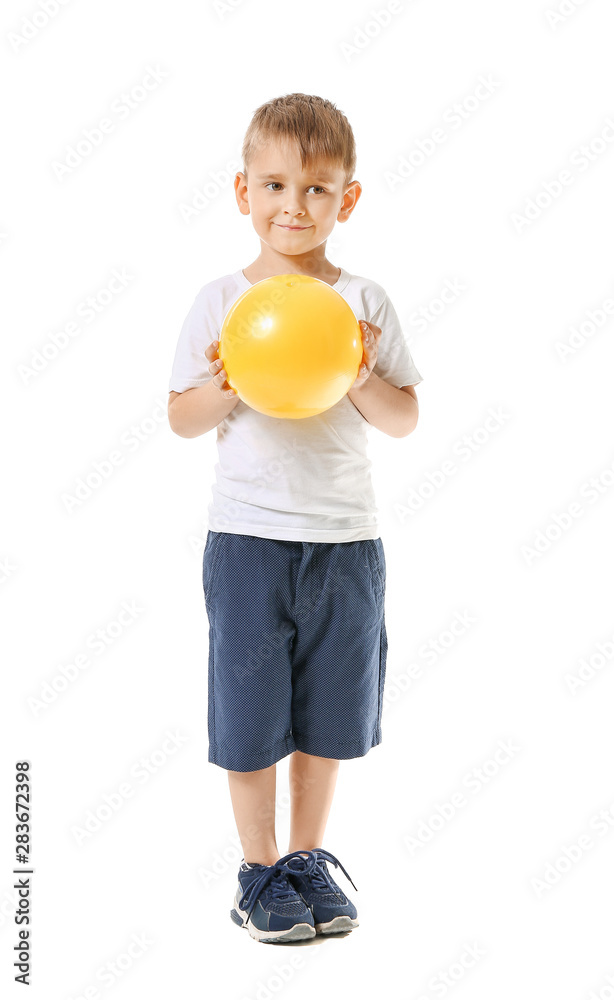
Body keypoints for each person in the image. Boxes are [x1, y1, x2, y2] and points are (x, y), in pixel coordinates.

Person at [167, 93, 423, 944]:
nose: (293, 206)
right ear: (242, 192)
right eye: (273, 185)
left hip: (345, 541)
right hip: (247, 540)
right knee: (247, 711)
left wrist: (355, 369)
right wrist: (228, 381)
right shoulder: (219, 301)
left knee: (329, 713)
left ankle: (307, 862)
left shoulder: (364, 302)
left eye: (317, 189)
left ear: (347, 200)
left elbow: (402, 418)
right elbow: (182, 417)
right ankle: (257, 869)